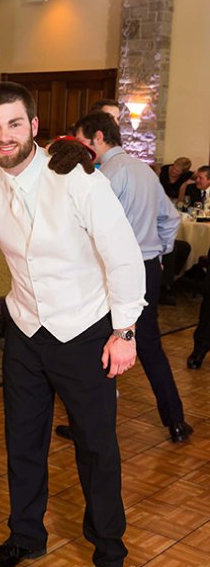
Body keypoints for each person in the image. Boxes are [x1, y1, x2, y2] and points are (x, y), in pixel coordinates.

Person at [0, 82, 146, 567]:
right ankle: (26, 536)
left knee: (96, 449)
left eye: (14, 124)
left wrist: (125, 331)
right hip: (25, 330)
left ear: (34, 127)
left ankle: (109, 556)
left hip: (87, 331)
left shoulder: (76, 178)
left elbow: (122, 254)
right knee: (22, 443)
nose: (4, 136)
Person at [75, 111, 193, 443]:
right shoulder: (144, 169)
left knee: (96, 343)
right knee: (150, 345)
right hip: (148, 268)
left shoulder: (105, 175)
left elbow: (93, 230)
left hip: (114, 272)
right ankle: (176, 422)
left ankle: (90, 425)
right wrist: (158, 257)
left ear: (99, 137)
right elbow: (170, 219)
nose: (83, 149)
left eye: (84, 142)